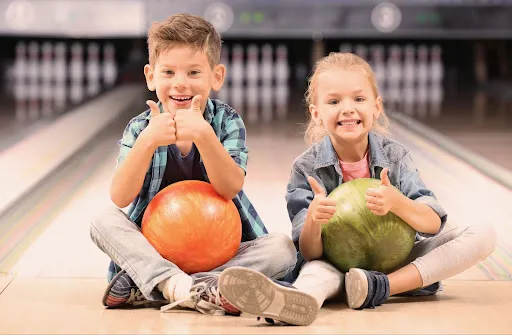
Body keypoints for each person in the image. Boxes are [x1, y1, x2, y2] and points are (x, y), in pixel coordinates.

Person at [218, 52, 496, 325]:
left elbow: (432, 224)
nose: (348, 108)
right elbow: (311, 252)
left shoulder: (395, 157)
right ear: (316, 113)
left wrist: (398, 203)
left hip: (397, 261)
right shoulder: (306, 168)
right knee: (315, 274)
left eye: (359, 99)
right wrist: (314, 220)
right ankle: (296, 302)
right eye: (334, 101)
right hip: (335, 266)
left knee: (483, 234)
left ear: (377, 107)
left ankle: (382, 286)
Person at [89, 13, 297, 316]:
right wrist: (147, 142)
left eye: (194, 72)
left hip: (221, 255)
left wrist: (204, 135)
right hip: (155, 250)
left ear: (217, 76)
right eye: (169, 72)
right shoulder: (140, 128)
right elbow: (121, 197)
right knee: (102, 220)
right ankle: (192, 287)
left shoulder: (227, 122)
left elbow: (230, 187)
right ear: (150, 76)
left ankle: (168, 286)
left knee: (283, 249)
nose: (180, 83)